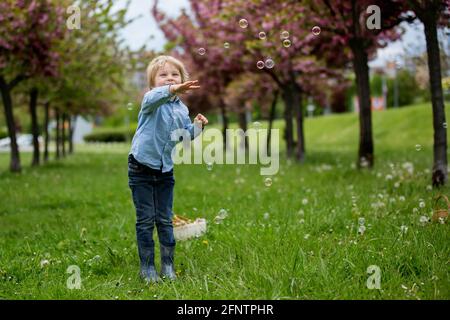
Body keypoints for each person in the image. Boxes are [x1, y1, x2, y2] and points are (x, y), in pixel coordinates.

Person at [127, 55, 208, 283]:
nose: (169, 78)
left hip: (164, 172)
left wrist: (198, 126)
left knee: (164, 219)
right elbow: (155, 96)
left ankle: (168, 266)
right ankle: (147, 267)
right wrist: (171, 88)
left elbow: (185, 136)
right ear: (153, 83)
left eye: (175, 74)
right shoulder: (151, 101)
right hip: (140, 168)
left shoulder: (182, 109)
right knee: (145, 220)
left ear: (183, 79)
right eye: (163, 75)